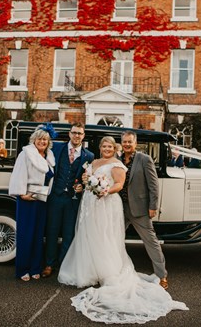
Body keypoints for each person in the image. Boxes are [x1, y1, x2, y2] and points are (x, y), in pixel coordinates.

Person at [58, 137, 188, 324]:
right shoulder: (95, 161)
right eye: (104, 145)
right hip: (96, 205)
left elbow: (146, 184)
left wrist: (152, 206)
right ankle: (93, 271)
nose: (108, 148)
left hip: (123, 206)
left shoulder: (135, 160)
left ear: (131, 144)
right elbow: (87, 179)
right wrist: (86, 182)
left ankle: (162, 275)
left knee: (143, 239)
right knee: (100, 238)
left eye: (112, 145)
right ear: (101, 147)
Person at [41, 123, 94, 278]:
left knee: (69, 234)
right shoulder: (57, 148)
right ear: (69, 134)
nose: (77, 136)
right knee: (52, 231)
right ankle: (49, 264)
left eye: (80, 133)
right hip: (55, 197)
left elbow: (88, 178)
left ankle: (64, 265)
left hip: (73, 200)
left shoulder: (88, 156)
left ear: (83, 136)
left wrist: (82, 187)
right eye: (74, 133)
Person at [119, 130, 169, 289]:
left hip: (140, 209)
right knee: (113, 240)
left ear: (135, 143)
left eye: (130, 142)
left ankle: (162, 275)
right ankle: (114, 273)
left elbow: (153, 185)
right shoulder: (117, 159)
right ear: (121, 143)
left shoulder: (144, 159)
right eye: (124, 141)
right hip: (118, 208)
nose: (127, 144)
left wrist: (153, 206)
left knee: (151, 242)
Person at [9, 125, 56, 281]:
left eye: (45, 139)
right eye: (40, 138)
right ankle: (22, 270)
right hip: (27, 198)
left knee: (37, 235)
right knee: (26, 234)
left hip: (42, 199)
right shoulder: (26, 154)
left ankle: (35, 268)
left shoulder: (49, 156)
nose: (42, 141)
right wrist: (22, 194)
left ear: (49, 142)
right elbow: (19, 174)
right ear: (34, 139)